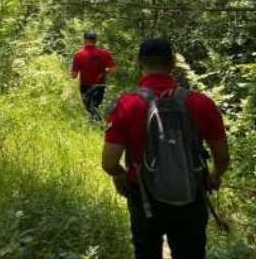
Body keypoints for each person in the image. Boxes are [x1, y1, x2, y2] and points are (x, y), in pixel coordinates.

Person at [101, 39, 230, 259]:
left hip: (144, 198)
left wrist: (120, 175)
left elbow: (109, 163)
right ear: (172, 64)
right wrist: (215, 175)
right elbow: (222, 156)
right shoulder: (201, 103)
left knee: (147, 253)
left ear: (140, 63)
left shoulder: (127, 104)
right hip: (191, 195)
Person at [70, 32, 117, 120]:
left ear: (84, 40)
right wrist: (105, 71)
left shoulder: (79, 54)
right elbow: (113, 69)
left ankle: (98, 125)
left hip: (85, 86)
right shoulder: (105, 53)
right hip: (100, 85)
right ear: (96, 41)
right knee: (95, 107)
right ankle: (97, 125)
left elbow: (74, 75)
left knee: (89, 108)